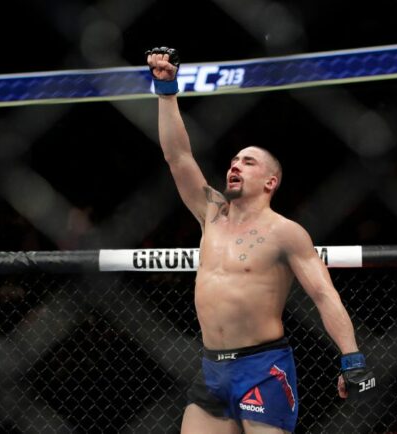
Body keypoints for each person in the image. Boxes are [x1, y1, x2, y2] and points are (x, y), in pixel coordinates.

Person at [146, 47, 375, 434]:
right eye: (234, 160)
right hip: (211, 368)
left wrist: (352, 358)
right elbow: (178, 155)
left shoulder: (285, 232)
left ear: (271, 182)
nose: (235, 166)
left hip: (262, 368)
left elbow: (324, 294)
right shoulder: (211, 214)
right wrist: (166, 91)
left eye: (248, 162)